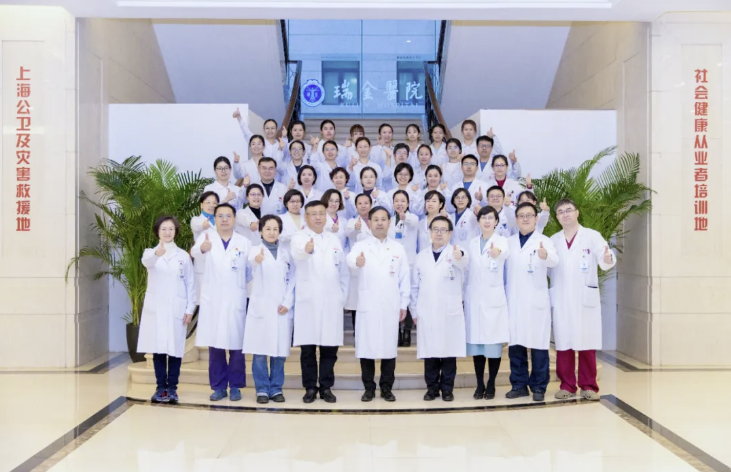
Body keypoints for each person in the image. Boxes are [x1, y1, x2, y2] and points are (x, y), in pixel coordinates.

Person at [550, 199, 616, 401]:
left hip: (584, 297)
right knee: (564, 342)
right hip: (562, 298)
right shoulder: (553, 240)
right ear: (557, 217)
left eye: (569, 210)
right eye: (561, 211)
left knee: (587, 342)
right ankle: (567, 385)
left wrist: (607, 259)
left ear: (577, 213)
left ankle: (589, 386)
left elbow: (605, 257)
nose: (565, 214)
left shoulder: (591, 236)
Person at [347, 207, 410, 402]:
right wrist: (357, 262)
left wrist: (404, 304)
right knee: (366, 348)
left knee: (389, 348)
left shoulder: (398, 248)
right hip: (368, 304)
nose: (380, 223)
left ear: (389, 222)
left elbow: (404, 278)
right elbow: (350, 261)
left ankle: (386, 388)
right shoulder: (361, 245)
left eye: (383, 219)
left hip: (391, 304)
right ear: (369, 223)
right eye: (376, 219)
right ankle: (368, 388)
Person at [191, 203, 252, 402]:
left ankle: (235, 386)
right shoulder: (206, 237)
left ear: (234, 219)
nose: (224, 219)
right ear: (214, 219)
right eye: (220, 216)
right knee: (215, 345)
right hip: (213, 299)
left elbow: (249, 271)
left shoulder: (244, 242)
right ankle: (218, 387)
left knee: (236, 345)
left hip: (235, 298)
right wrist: (202, 249)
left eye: (228, 216)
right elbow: (194, 252)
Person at [291, 201, 349, 403]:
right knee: (307, 349)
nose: (318, 217)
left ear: (326, 216)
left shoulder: (334, 239)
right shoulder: (299, 237)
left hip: (332, 300)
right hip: (308, 301)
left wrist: (342, 296)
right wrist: (306, 250)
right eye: (313, 214)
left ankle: (326, 387)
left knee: (329, 349)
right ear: (306, 217)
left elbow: (342, 270)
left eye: (321, 213)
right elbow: (297, 254)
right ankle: (310, 387)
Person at [138, 215, 196, 404]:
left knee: (176, 350)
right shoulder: (150, 253)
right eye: (163, 229)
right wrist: (157, 254)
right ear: (157, 232)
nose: (167, 232)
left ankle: (172, 389)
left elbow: (191, 284)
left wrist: (190, 308)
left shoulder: (183, 256)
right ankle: (160, 388)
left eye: (171, 229)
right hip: (157, 310)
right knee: (159, 350)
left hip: (177, 309)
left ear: (175, 232)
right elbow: (147, 262)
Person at [411, 216, 468, 401]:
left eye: (443, 230)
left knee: (449, 353)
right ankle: (432, 388)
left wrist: (460, 256)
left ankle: (447, 389)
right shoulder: (421, 256)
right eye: (435, 229)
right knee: (430, 353)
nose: (438, 233)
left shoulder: (457, 252)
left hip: (450, 311)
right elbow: (414, 286)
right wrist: (414, 311)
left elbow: (464, 262)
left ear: (450, 233)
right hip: (426, 310)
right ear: (430, 232)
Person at [505, 202, 559, 402]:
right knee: (516, 345)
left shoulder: (544, 241)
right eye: (521, 215)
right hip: (514, 300)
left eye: (529, 215)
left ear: (536, 219)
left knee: (539, 346)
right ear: (516, 219)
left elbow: (554, 261)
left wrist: (545, 256)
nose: (525, 219)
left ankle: (538, 386)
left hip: (536, 301)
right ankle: (519, 385)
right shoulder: (508, 242)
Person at [243, 215, 296, 404]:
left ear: (279, 232)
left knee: (279, 354)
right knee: (259, 352)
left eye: (275, 229)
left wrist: (288, 302)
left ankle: (276, 388)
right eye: (268, 229)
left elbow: (293, 279)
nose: (271, 232)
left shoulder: (286, 253)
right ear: (260, 231)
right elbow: (251, 263)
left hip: (281, 308)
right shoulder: (254, 250)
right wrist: (257, 260)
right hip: (261, 309)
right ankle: (262, 389)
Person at [464, 206, 509, 400]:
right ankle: (479, 384)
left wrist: (498, 252)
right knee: (478, 346)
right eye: (484, 217)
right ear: (479, 221)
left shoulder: (502, 241)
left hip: (493, 299)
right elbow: (466, 266)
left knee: (493, 346)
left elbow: (504, 252)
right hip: (475, 298)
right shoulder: (472, 243)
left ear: (496, 221)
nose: (487, 221)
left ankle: (491, 383)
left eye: (491, 218)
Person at [388, 190, 419, 347]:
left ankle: (407, 330)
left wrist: (404, 217)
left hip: (409, 262)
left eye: (403, 201)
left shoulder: (412, 218)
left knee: (408, 295)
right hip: (393, 263)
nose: (399, 204)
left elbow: (412, 223)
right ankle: (396, 330)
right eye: (397, 201)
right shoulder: (388, 220)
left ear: (408, 203)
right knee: (395, 295)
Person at [345, 193, 374, 330]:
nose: (363, 206)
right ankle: (357, 334)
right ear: (355, 206)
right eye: (360, 203)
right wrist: (356, 229)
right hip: (357, 266)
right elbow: (349, 234)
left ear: (371, 205)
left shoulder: (376, 220)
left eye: (366, 203)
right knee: (357, 303)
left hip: (374, 266)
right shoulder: (352, 222)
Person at [190, 191, 219, 303]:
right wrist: (203, 225)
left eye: (215, 203)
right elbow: (197, 226)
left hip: (218, 264)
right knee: (203, 302)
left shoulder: (221, 221)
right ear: (201, 205)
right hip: (203, 263)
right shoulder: (196, 220)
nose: (212, 205)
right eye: (208, 202)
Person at [278, 189, 306, 253]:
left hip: (303, 253)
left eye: (298, 201)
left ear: (301, 203)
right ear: (286, 203)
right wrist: (299, 235)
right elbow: (281, 236)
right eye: (292, 201)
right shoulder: (280, 219)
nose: (295, 204)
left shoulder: (306, 219)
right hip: (286, 253)